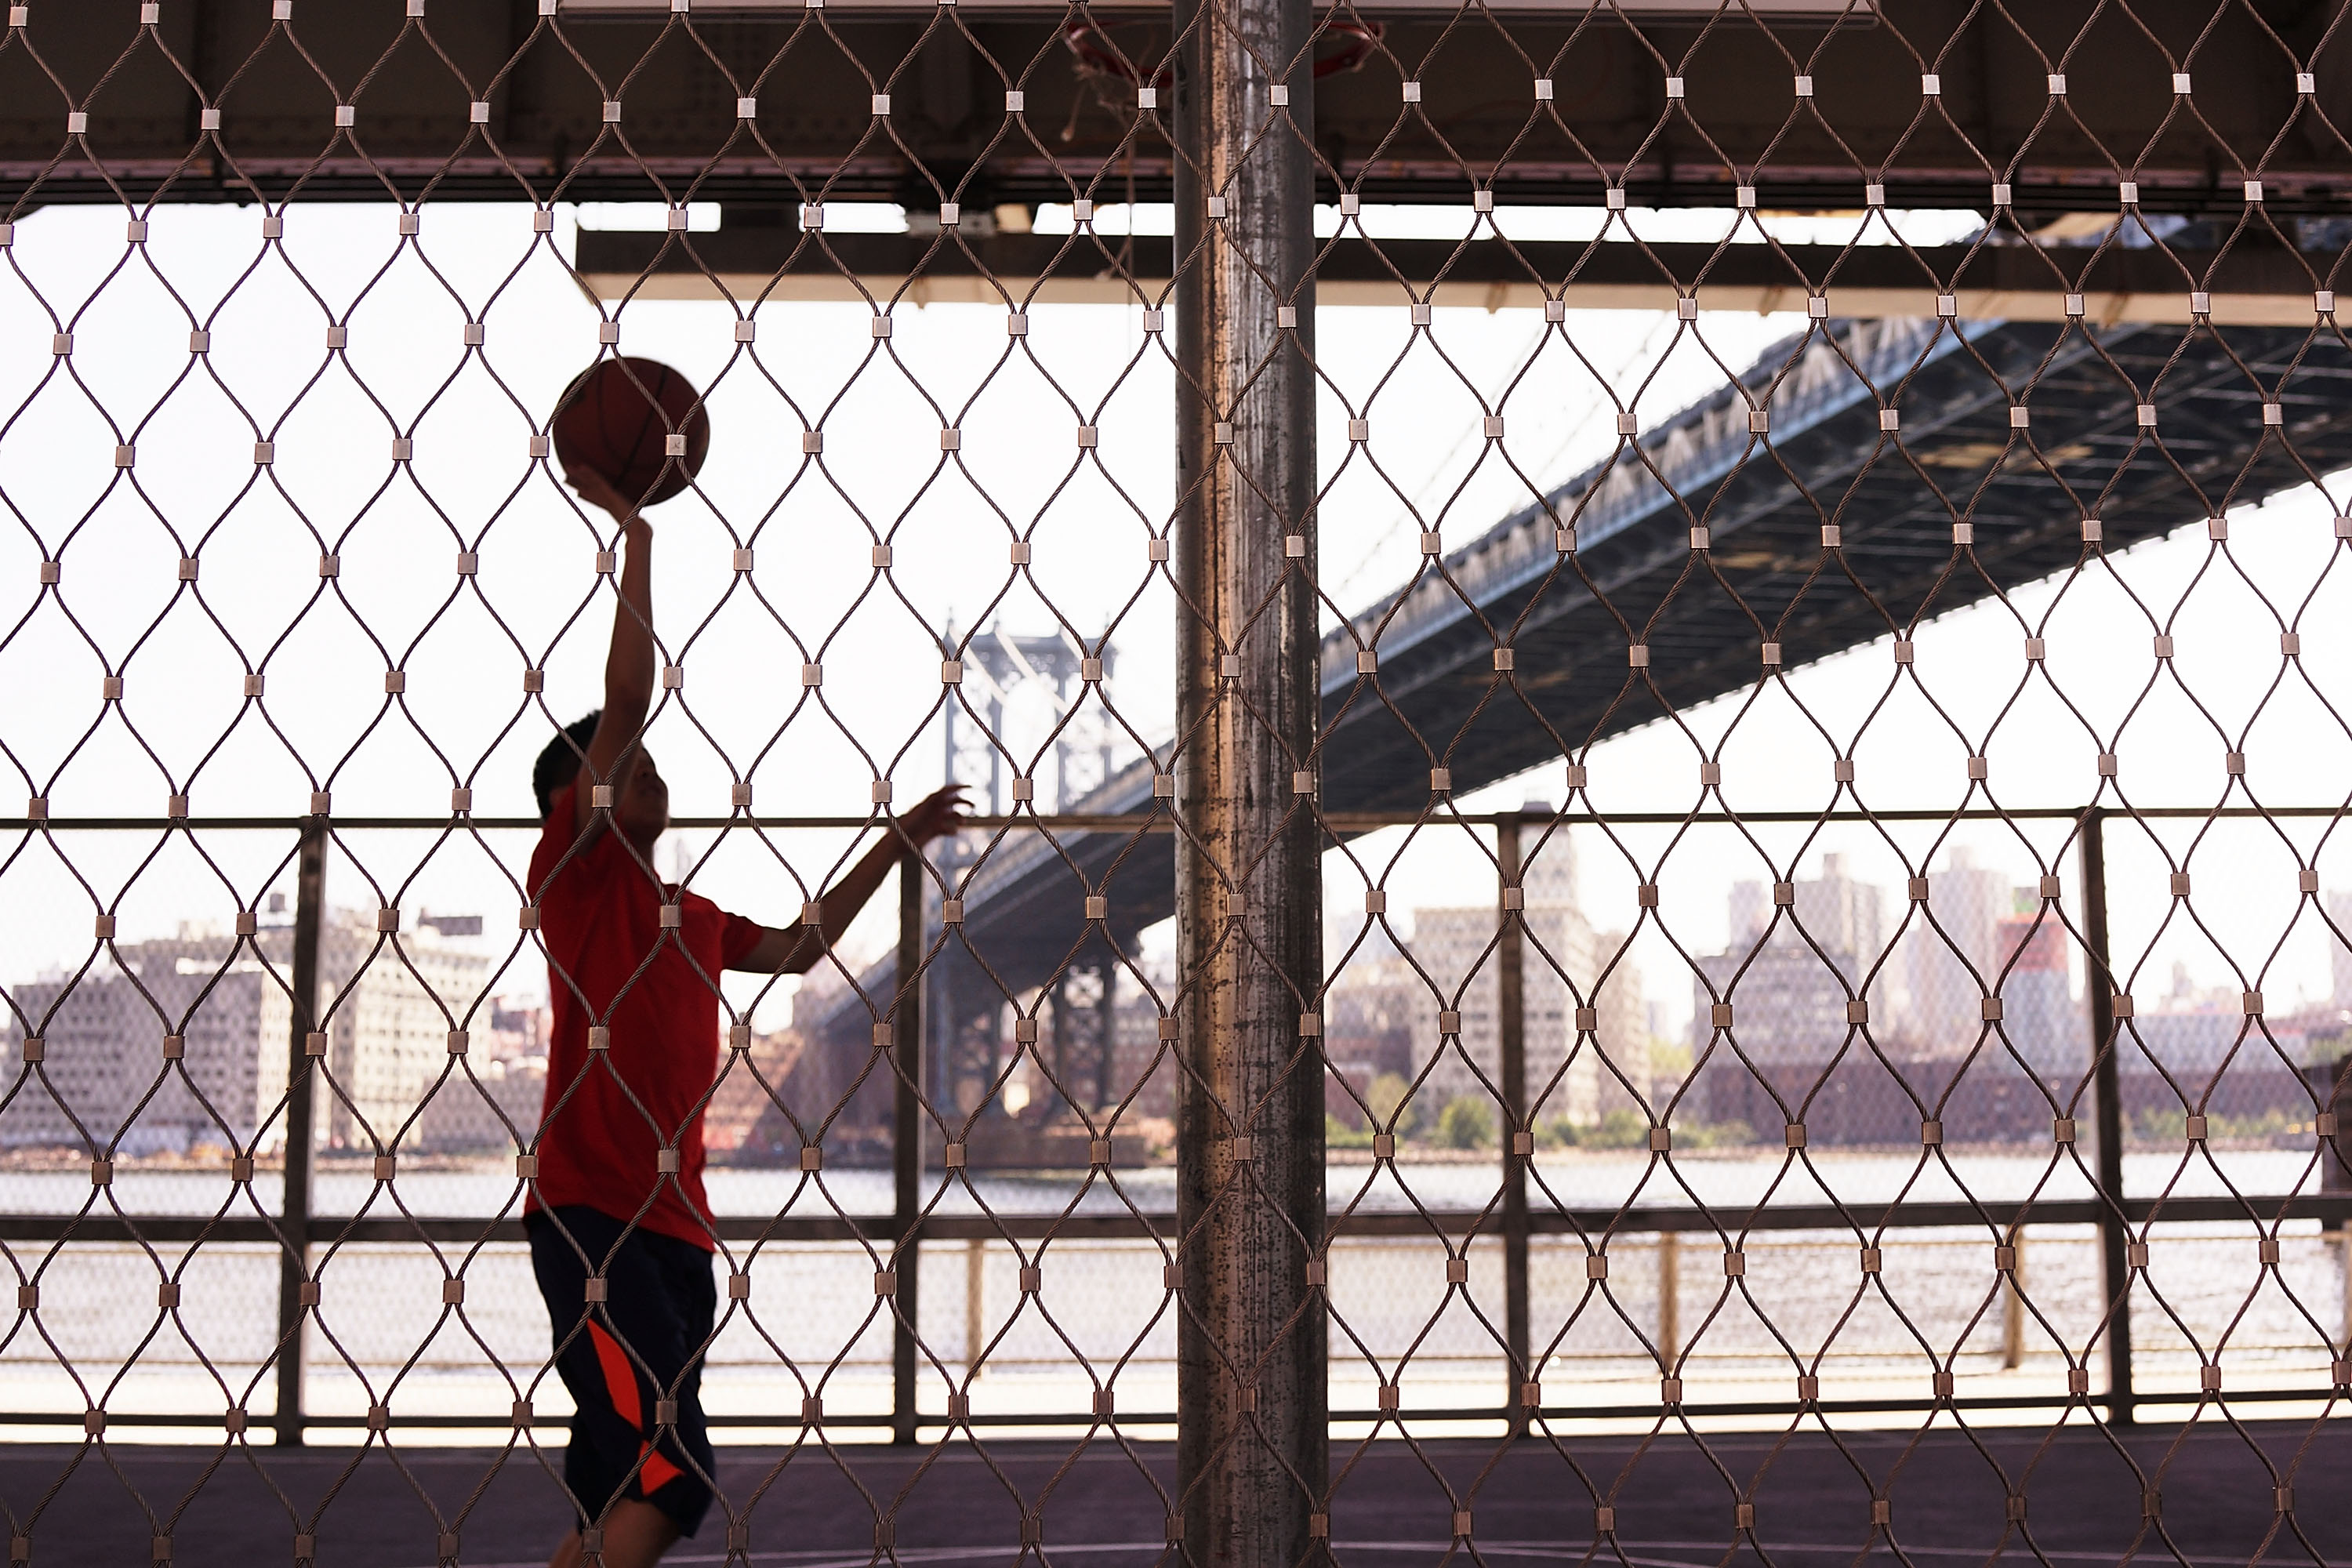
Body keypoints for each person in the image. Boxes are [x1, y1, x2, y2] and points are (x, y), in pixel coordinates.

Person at [524, 466, 966, 1568]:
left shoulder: (691, 915)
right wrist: (637, 539)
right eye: (620, 769)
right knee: (677, 1477)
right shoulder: (573, 880)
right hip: (592, 1227)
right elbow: (626, 708)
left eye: (650, 768)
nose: (646, 773)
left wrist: (896, 845)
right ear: (575, 802)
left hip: (676, 1239)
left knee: (607, 1491)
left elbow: (807, 944)